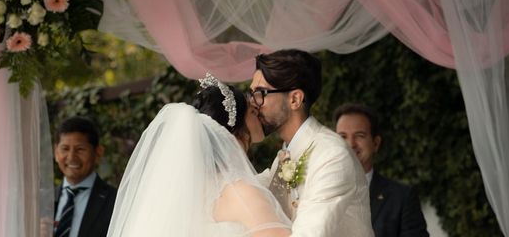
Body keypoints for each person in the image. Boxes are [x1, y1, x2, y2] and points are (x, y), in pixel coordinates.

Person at [105, 73, 292, 237]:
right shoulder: (241, 193)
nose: (258, 111)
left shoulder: (185, 192)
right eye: (252, 111)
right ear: (234, 126)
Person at [251, 50, 374, 237]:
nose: (253, 103)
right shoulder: (285, 155)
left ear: (295, 99)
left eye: (260, 93)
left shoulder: (331, 155)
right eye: (251, 94)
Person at [334, 103, 428, 237]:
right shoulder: (312, 192)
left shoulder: (402, 198)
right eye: (342, 136)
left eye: (360, 135)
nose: (350, 144)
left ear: (375, 143)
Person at [54, 116, 116, 237]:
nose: (71, 157)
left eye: (80, 149)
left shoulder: (115, 201)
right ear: (56, 153)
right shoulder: (41, 201)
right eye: (65, 149)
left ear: (98, 153)